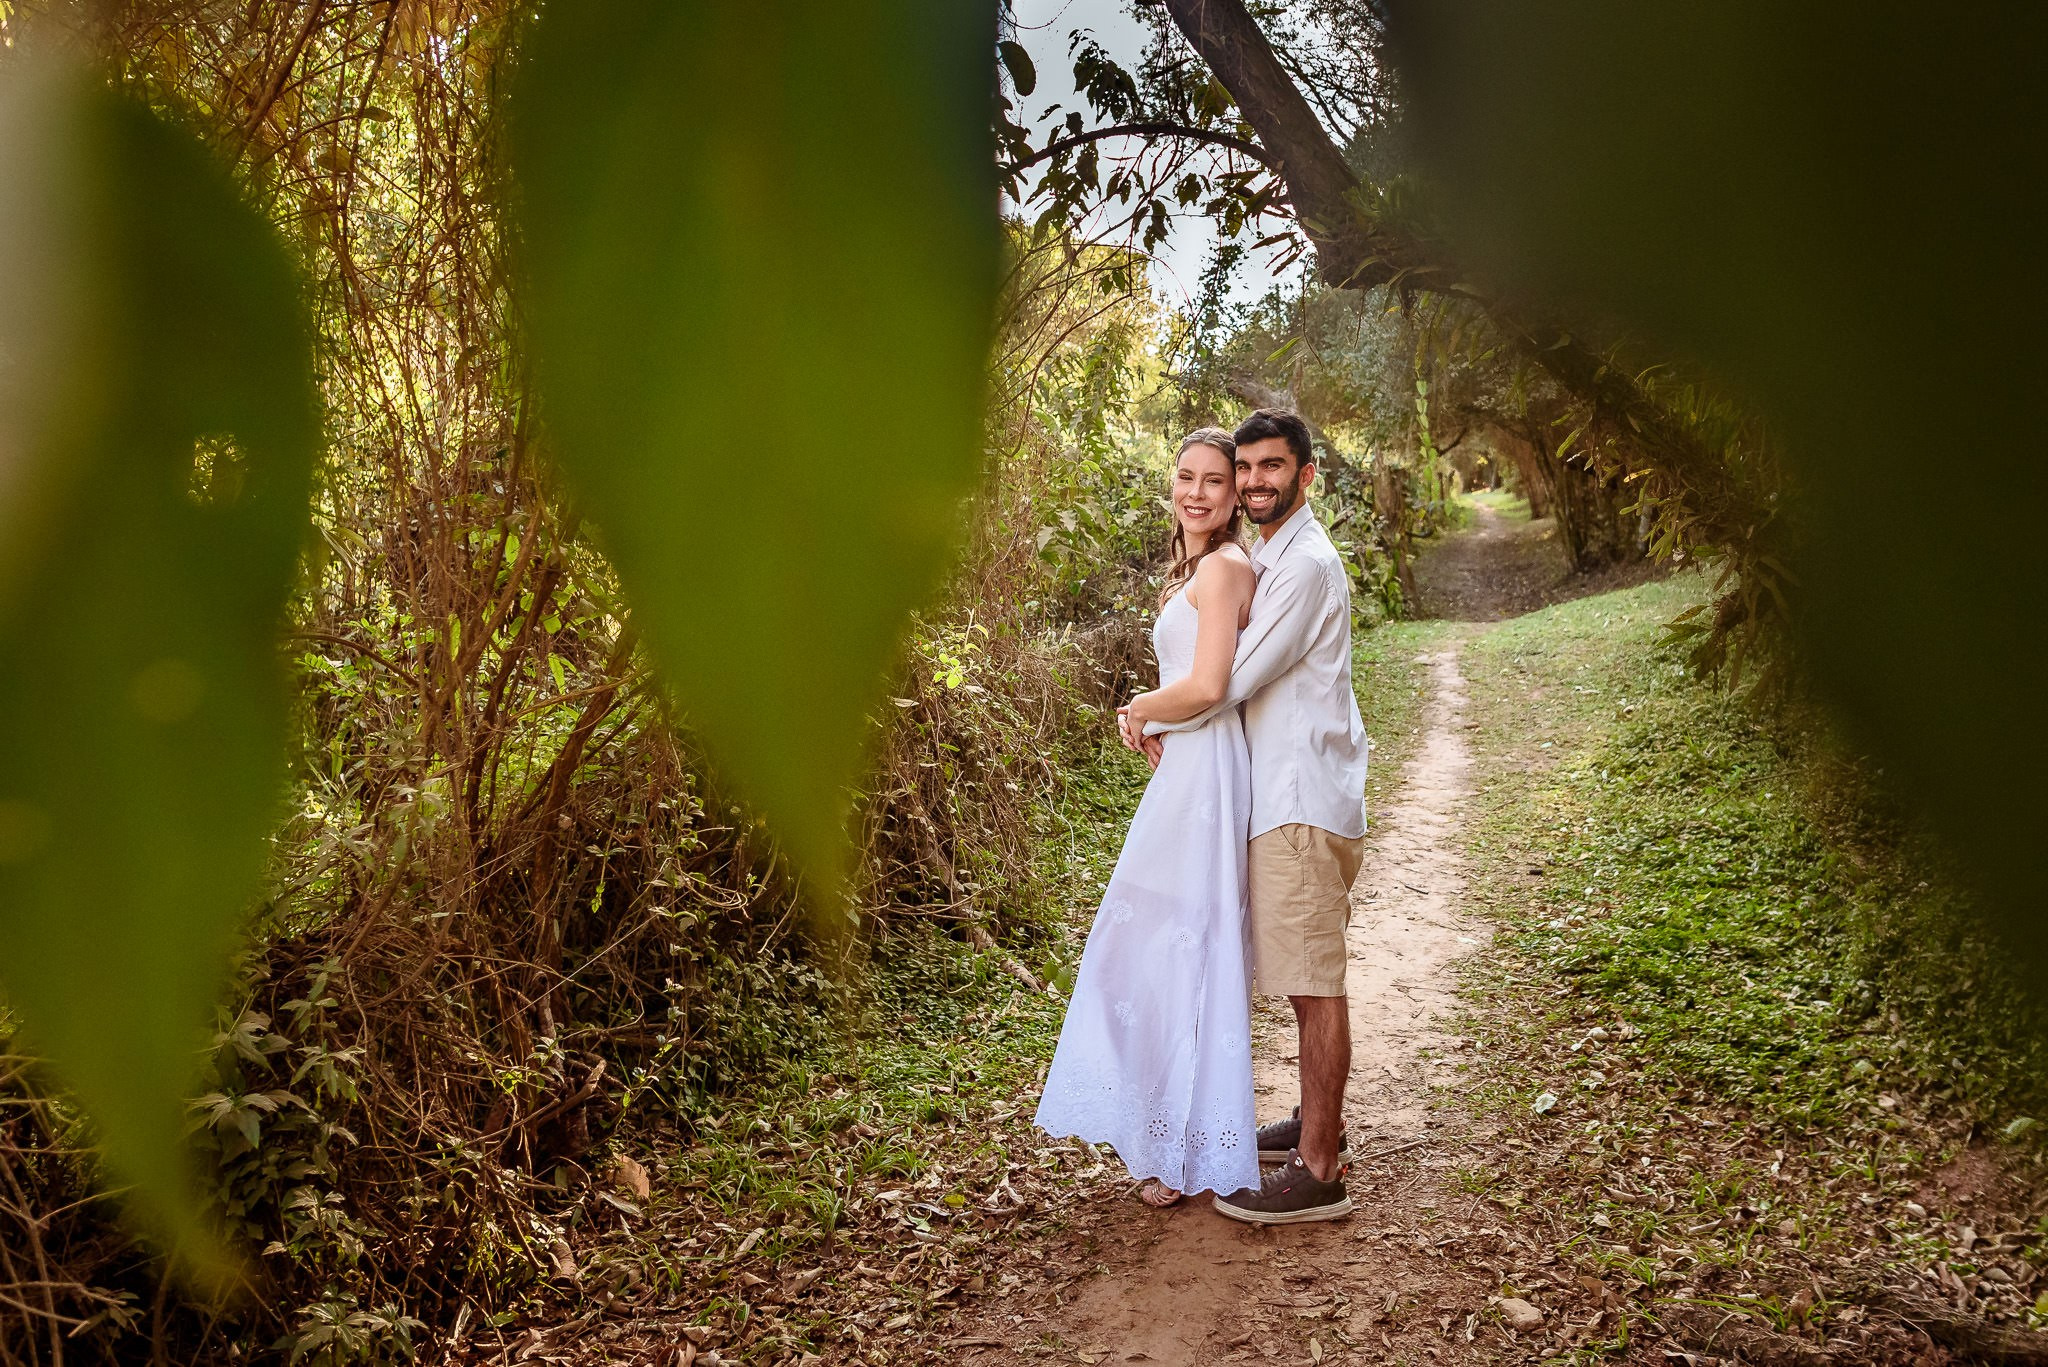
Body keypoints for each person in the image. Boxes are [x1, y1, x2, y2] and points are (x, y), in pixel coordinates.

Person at [1121, 408, 1369, 1224]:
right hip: (1275, 791)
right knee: (1295, 975)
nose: (1257, 480)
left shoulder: (1303, 567)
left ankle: (1320, 1165)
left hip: (1299, 798)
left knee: (1310, 980)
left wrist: (1144, 710)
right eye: (1247, 466)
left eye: (1270, 468)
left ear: (1306, 475)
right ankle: (1309, 1120)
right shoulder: (1270, 552)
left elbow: (1224, 681)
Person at [1034, 429, 1260, 1208]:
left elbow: (1205, 683)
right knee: (1151, 944)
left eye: (1215, 482)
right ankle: (1165, 1132)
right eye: (1187, 477)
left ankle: (1179, 1144)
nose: (1197, 493)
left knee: (1180, 945)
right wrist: (1152, 717)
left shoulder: (1227, 566)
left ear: (1236, 496)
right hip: (1185, 771)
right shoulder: (1197, 568)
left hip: (1207, 772)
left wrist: (1138, 709)